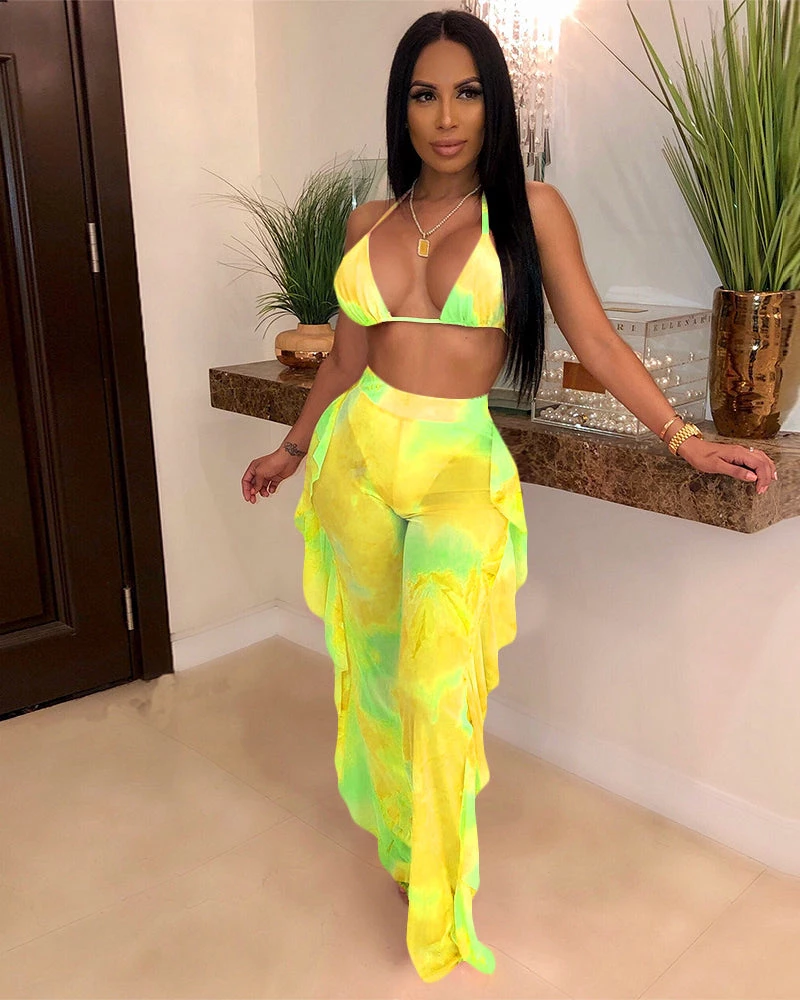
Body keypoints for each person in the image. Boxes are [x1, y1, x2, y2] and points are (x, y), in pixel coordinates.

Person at [241, 9, 777, 983]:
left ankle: (444, 890)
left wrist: (685, 438)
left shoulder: (530, 211)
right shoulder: (368, 224)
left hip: (457, 466)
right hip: (359, 457)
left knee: (436, 681)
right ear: (401, 107)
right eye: (425, 94)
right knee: (376, 671)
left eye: (467, 92)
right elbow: (346, 360)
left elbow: (596, 339)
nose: (446, 117)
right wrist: (291, 447)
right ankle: (408, 845)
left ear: (495, 103)